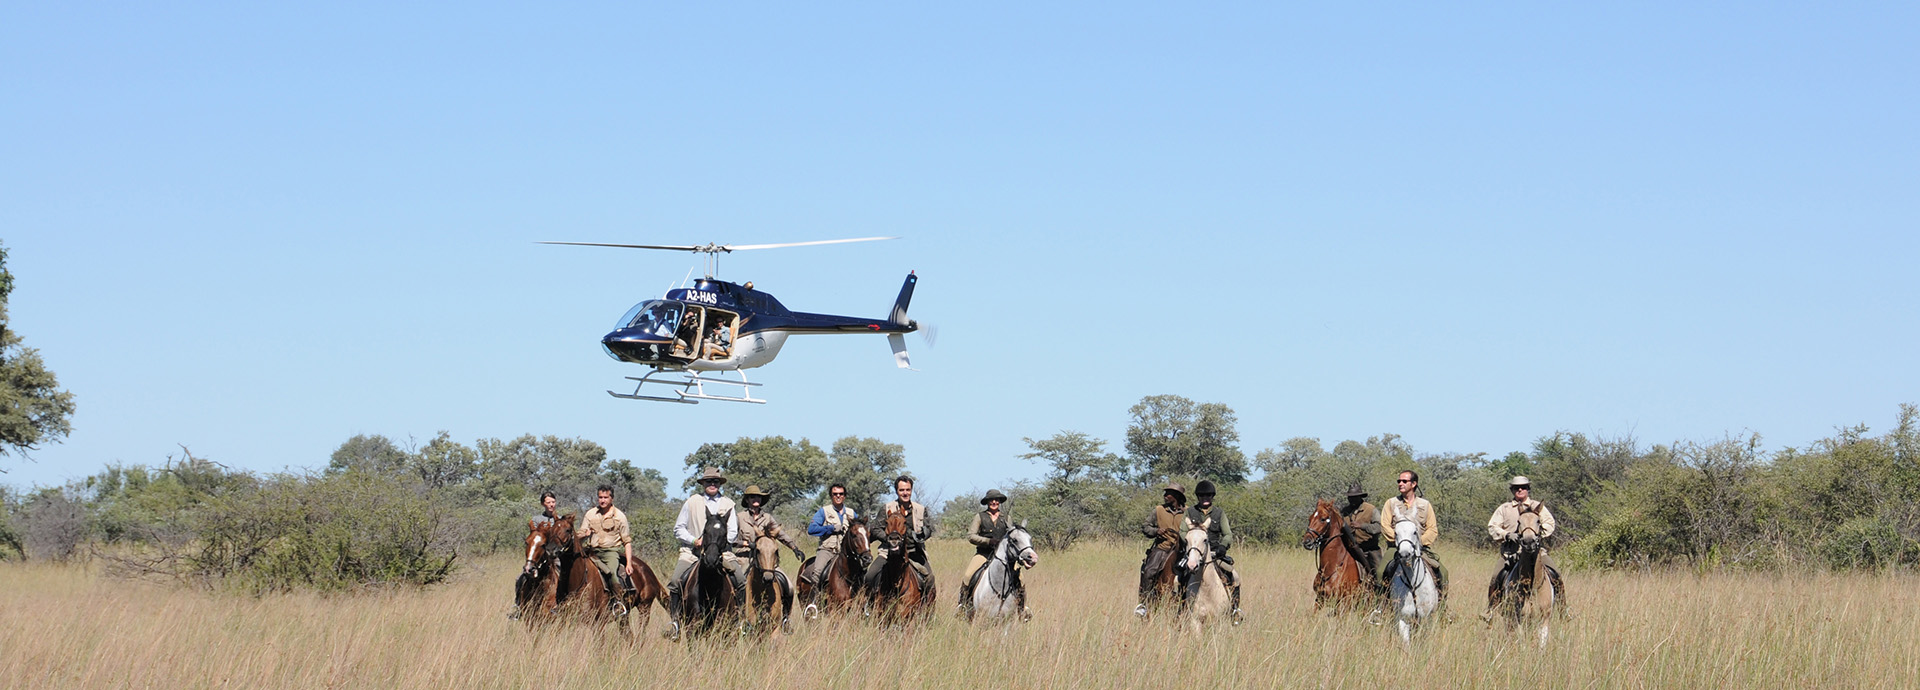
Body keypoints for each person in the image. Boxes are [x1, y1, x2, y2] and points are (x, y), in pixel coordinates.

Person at [667, 467, 748, 634]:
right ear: (703, 483)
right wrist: (694, 540)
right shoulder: (691, 502)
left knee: (740, 580)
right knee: (675, 581)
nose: (712, 484)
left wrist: (719, 544)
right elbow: (678, 528)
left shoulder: (729, 504)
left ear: (720, 484)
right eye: (709, 481)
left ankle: (741, 620)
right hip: (692, 553)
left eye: (716, 481)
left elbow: (732, 530)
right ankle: (675, 623)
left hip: (721, 552)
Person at [1482, 475, 1566, 620]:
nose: (1520, 490)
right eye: (1516, 488)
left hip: (1537, 553)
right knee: (1496, 577)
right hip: (1511, 553)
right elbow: (1492, 526)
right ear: (1512, 490)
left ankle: (1564, 609)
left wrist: (1536, 534)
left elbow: (1549, 523)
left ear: (1528, 489)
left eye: (1523, 487)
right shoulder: (1504, 508)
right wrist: (1507, 534)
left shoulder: (1538, 507)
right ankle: (1490, 610)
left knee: (1555, 573)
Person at [1378, 470, 1447, 598]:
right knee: (1380, 572)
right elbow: (1385, 526)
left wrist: (1419, 543)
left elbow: (1432, 528)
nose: (1400, 483)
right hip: (1396, 547)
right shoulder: (1391, 503)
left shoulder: (1425, 505)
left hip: (1420, 548)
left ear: (1414, 484)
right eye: (1399, 481)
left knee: (1443, 572)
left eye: (1404, 481)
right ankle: (1380, 607)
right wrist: (1401, 541)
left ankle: (1442, 608)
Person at [1184, 480, 1244, 624]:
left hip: (1214, 554)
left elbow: (1228, 534)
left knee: (1235, 577)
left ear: (1212, 497)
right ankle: (1181, 610)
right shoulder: (1189, 512)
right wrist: (1191, 544)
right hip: (1193, 553)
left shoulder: (1219, 513)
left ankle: (1235, 610)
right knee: (1176, 579)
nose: (1206, 498)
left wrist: (1223, 546)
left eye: (1208, 496)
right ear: (1198, 497)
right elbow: (1182, 531)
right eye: (1203, 496)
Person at [863, 475, 934, 595]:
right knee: (870, 576)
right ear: (897, 491)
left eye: (908, 490)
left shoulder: (920, 509)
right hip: (888, 553)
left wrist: (923, 534)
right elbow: (876, 529)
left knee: (930, 579)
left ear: (911, 490)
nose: (905, 493)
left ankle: (927, 610)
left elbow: (929, 528)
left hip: (914, 552)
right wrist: (889, 538)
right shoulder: (886, 508)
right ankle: (868, 607)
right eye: (902, 490)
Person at [799, 482, 860, 615]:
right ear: (831, 496)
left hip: (847, 554)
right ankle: (814, 602)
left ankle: (861, 604)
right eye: (835, 494)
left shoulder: (851, 513)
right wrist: (830, 528)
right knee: (817, 572)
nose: (838, 496)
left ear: (845, 496)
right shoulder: (824, 511)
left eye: (841, 494)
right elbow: (812, 529)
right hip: (827, 550)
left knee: (862, 574)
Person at [575, 485, 637, 615]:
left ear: (611, 499)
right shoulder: (590, 514)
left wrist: (629, 563)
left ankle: (617, 602)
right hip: (592, 551)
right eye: (600, 497)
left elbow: (627, 542)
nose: (602, 500)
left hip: (610, 552)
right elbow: (579, 536)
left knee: (612, 573)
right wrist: (584, 535)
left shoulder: (620, 516)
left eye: (605, 497)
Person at [958, 489, 1020, 616]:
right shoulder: (980, 517)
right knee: (968, 575)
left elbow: (1013, 537)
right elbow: (971, 536)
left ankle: (1022, 609)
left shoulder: (1007, 518)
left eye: (996, 499)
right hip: (983, 554)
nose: (994, 502)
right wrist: (988, 541)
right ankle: (963, 606)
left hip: (1004, 557)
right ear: (987, 502)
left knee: (1021, 579)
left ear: (999, 502)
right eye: (991, 499)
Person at [1134, 483, 1187, 618]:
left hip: (1182, 549)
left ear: (1176, 496)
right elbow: (1145, 526)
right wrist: (1156, 531)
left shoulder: (1188, 512)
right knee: (1148, 571)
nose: (1165, 496)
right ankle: (1144, 604)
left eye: (1168, 493)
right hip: (1162, 548)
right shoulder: (1158, 510)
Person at [510, 491, 563, 620]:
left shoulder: (560, 520)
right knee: (520, 579)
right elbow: (534, 539)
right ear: (543, 504)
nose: (551, 505)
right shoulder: (536, 520)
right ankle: (518, 606)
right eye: (548, 502)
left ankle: (563, 607)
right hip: (540, 557)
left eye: (553, 502)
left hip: (555, 556)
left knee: (563, 576)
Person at [735, 484, 807, 566]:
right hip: (744, 557)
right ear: (747, 500)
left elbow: (781, 534)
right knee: (740, 578)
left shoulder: (767, 517)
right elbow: (731, 540)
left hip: (766, 558)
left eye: (758, 497)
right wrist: (747, 544)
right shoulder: (740, 517)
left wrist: (794, 548)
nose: (756, 499)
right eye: (752, 497)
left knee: (782, 577)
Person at [1338, 482, 1383, 592]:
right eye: (1350, 498)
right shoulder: (1344, 511)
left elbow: (1379, 527)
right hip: (1349, 550)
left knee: (1380, 572)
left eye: (1354, 498)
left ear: (1360, 497)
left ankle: (1382, 595)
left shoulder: (1371, 509)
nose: (1351, 500)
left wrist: (1362, 526)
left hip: (1369, 549)